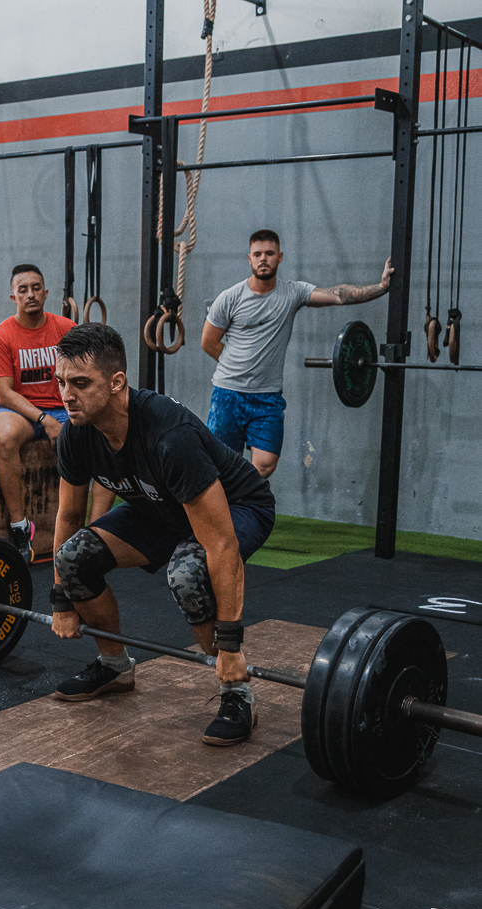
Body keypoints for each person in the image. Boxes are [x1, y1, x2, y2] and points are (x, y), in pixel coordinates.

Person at [49, 323, 276, 746]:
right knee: (73, 558)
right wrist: (61, 598)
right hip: (159, 509)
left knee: (188, 573)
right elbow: (69, 516)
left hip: (240, 506)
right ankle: (115, 667)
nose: (66, 395)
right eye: (61, 381)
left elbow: (221, 544)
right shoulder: (77, 434)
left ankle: (236, 689)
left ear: (117, 382)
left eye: (80, 383)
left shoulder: (169, 437)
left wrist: (229, 645)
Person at [201, 229, 393, 478]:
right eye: (257, 254)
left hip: (267, 396)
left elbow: (338, 295)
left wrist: (381, 287)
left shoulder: (293, 293)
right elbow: (208, 342)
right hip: (228, 394)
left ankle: (241, 497)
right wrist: (240, 366)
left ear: (280, 257)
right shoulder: (229, 298)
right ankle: (232, 502)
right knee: (223, 464)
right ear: (249, 259)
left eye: (269, 253)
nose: (263, 259)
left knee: (265, 464)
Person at [0, 264, 113, 563]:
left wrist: (69, 416)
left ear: (45, 293)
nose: (30, 294)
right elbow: (4, 393)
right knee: (3, 434)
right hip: (23, 411)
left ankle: (97, 532)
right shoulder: (0, 336)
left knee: (105, 436)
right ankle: (19, 527)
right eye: (23, 290)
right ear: (13, 297)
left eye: (35, 288)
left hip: (65, 407)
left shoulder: (66, 329)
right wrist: (45, 420)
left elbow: (86, 377)